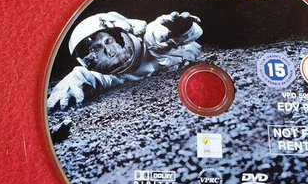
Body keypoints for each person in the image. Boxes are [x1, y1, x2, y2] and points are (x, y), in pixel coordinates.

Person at [47, 11, 202, 110]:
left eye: (109, 41)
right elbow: (81, 75)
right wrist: (68, 87)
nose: (109, 51)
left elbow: (159, 35)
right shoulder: (111, 76)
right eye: (97, 48)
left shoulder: (151, 41)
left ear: (126, 34)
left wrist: (180, 29)